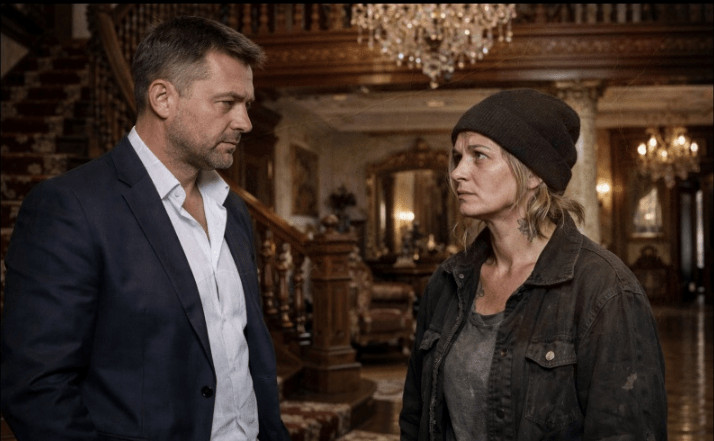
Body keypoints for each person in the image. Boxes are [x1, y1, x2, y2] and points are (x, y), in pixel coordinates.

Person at [1, 16, 291, 441]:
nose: (245, 122)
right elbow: (37, 388)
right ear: (162, 98)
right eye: (227, 102)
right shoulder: (70, 208)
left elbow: (248, 353)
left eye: (245, 104)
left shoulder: (231, 208)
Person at [399, 89, 667, 440]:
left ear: (533, 175)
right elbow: (416, 416)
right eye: (457, 157)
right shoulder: (447, 280)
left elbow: (626, 431)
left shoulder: (605, 290)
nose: (457, 173)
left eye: (479, 155)